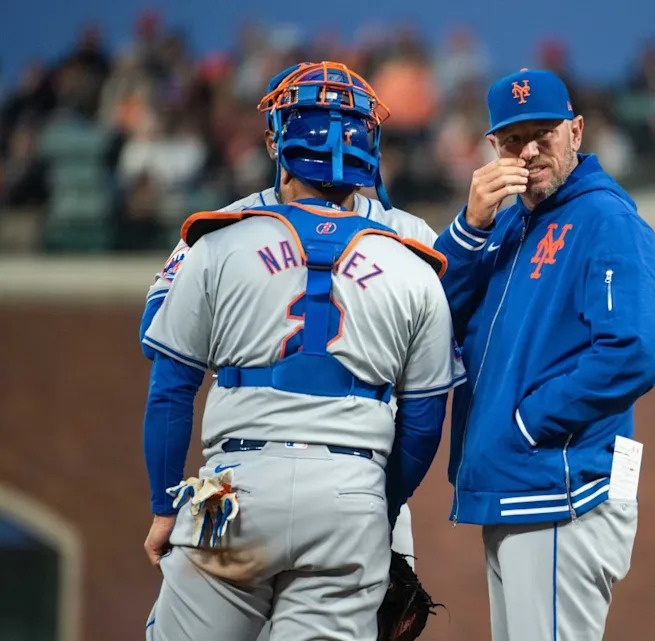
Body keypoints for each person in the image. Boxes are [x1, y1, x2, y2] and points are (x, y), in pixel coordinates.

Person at [141, 61, 463, 640]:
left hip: (240, 479)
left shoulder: (225, 233)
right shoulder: (413, 248)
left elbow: (167, 358)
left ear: (277, 138)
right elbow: (431, 403)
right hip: (360, 485)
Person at [433, 69, 655, 641]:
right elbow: (432, 318)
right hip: (519, 487)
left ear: (577, 131)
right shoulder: (505, 223)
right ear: (493, 148)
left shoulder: (606, 219)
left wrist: (530, 422)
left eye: (545, 132)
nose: (531, 150)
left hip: (562, 491)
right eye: (514, 140)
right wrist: (468, 230)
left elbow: (635, 350)